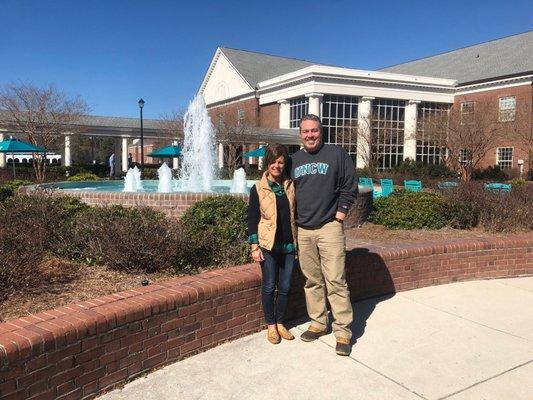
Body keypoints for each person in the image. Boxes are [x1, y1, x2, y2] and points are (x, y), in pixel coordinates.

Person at [290, 114, 358, 356]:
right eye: (306, 131)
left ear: (321, 131)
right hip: (303, 229)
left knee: (336, 280)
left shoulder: (337, 155)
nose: (310, 135)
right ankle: (319, 323)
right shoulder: (294, 160)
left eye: (314, 131)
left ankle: (343, 331)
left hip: (329, 226)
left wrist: (340, 216)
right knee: (312, 281)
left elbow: (350, 186)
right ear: (301, 134)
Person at [247, 144, 297, 344]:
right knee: (269, 286)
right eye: (273, 161)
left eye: (280, 162)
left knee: (285, 287)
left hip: (289, 245)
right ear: (267, 163)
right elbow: (252, 218)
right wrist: (254, 246)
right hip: (268, 245)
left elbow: (296, 214)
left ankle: (280, 322)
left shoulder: (290, 185)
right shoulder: (258, 188)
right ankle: (271, 325)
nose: (277, 165)